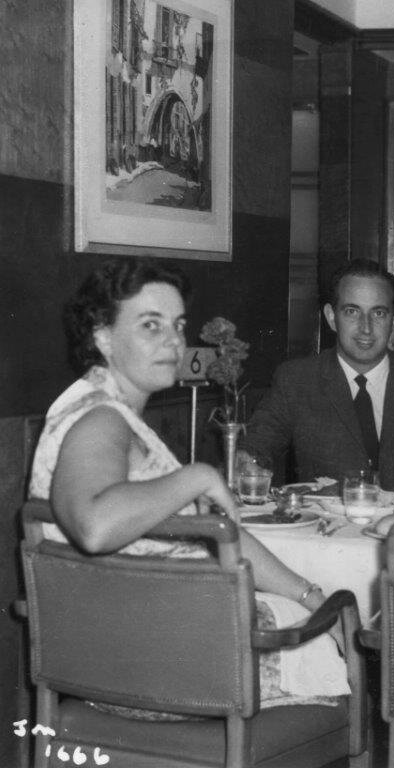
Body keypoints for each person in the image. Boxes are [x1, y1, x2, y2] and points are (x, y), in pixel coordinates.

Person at [28, 257, 349, 718]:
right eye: (150, 325)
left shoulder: (100, 408)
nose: (174, 341)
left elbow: (217, 531)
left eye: (178, 325)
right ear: (103, 337)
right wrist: (195, 475)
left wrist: (308, 595)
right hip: (161, 670)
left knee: (319, 615)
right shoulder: (100, 420)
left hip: (121, 658)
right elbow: (94, 526)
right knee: (340, 650)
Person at [241, 259, 394, 492]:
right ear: (331, 317)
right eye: (352, 312)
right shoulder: (297, 381)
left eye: (378, 313)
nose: (365, 328)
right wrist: (245, 464)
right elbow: (256, 449)